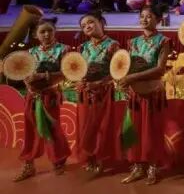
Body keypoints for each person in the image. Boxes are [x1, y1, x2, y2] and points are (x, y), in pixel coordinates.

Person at [117, 2, 172, 185]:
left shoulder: (163, 41)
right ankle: (137, 166)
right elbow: (127, 66)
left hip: (153, 92)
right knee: (135, 129)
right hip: (135, 93)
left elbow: (159, 69)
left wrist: (132, 78)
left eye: (149, 16)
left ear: (158, 19)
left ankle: (152, 167)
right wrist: (124, 81)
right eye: (142, 16)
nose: (144, 19)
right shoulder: (133, 42)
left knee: (152, 130)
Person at [13, 18, 71, 182]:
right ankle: (28, 164)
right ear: (35, 35)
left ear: (55, 32)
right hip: (32, 96)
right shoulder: (30, 53)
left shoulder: (64, 50)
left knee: (53, 128)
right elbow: (24, 72)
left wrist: (43, 76)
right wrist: (27, 82)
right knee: (30, 129)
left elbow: (67, 72)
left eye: (49, 31)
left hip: (51, 96)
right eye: (42, 32)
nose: (46, 34)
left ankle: (59, 161)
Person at [75, 12, 119, 177]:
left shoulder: (113, 45)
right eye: (83, 26)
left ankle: (101, 158)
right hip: (85, 93)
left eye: (90, 22)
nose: (87, 26)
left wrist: (99, 83)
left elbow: (117, 72)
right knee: (86, 125)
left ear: (101, 22)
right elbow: (78, 70)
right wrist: (78, 81)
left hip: (104, 92)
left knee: (102, 125)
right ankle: (89, 157)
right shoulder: (82, 47)